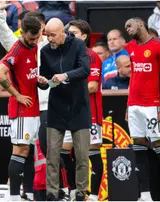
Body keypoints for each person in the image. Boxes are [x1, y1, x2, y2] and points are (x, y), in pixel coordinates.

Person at [124, 17, 160, 201]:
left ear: (140, 23)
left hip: (152, 105)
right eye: (125, 27)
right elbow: (133, 78)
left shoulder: (159, 46)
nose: (127, 29)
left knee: (159, 145)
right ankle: (145, 195)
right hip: (134, 106)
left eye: (129, 25)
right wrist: (128, 105)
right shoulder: (131, 47)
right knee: (138, 147)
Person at [38, 18, 91, 201]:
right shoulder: (45, 51)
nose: (49, 39)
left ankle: (81, 193)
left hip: (79, 107)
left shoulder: (77, 45)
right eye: (47, 35)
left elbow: (85, 70)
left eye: (53, 35)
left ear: (63, 32)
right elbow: (45, 79)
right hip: (56, 107)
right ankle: (52, 194)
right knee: (52, 156)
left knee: (82, 156)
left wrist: (65, 75)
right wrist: (42, 82)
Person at [0, 15, 41, 201]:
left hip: (34, 107)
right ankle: (13, 197)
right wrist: (17, 95)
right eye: (30, 38)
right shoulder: (17, 50)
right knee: (20, 150)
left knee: (28, 150)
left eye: (36, 38)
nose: (34, 41)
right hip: (22, 109)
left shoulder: (35, 46)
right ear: (22, 33)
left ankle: (27, 193)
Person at [65, 19, 104, 201]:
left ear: (84, 36)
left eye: (73, 33)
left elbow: (92, 87)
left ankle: (94, 196)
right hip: (69, 112)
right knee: (64, 152)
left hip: (90, 113)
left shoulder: (91, 56)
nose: (69, 36)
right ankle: (74, 191)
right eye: (68, 33)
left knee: (91, 153)